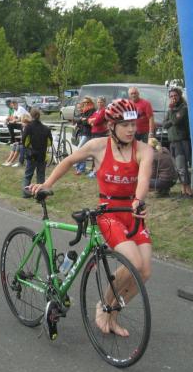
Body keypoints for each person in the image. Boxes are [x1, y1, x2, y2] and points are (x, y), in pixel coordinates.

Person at [29, 99, 153, 337]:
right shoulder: (98, 146)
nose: (131, 129)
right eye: (124, 125)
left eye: (133, 124)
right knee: (134, 263)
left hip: (132, 212)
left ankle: (112, 315)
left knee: (144, 271)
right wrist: (47, 184)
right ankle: (103, 305)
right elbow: (68, 161)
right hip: (108, 213)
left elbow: (144, 178)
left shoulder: (144, 150)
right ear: (111, 126)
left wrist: (138, 200)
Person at [163, 87, 193, 197]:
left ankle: (189, 191)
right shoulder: (171, 110)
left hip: (182, 142)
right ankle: (183, 191)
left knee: (182, 167)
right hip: (172, 142)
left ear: (180, 96)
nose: (173, 98)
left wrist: (171, 113)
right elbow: (164, 124)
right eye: (171, 96)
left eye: (175, 95)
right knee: (177, 167)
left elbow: (175, 121)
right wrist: (171, 118)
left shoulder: (183, 108)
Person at [21, 108, 52, 197]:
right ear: (39, 116)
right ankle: (40, 195)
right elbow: (50, 143)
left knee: (28, 175)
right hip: (42, 155)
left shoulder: (28, 127)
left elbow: (24, 141)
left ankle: (26, 194)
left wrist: (29, 147)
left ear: (31, 116)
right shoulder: (46, 128)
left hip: (31, 155)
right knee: (41, 176)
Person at [73, 96, 95, 175]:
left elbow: (88, 122)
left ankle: (77, 165)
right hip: (82, 132)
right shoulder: (85, 110)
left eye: (87, 102)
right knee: (83, 151)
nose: (85, 104)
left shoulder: (92, 110)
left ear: (90, 102)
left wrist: (83, 120)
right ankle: (81, 168)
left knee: (79, 149)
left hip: (88, 133)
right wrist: (81, 120)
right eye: (84, 102)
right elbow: (76, 119)